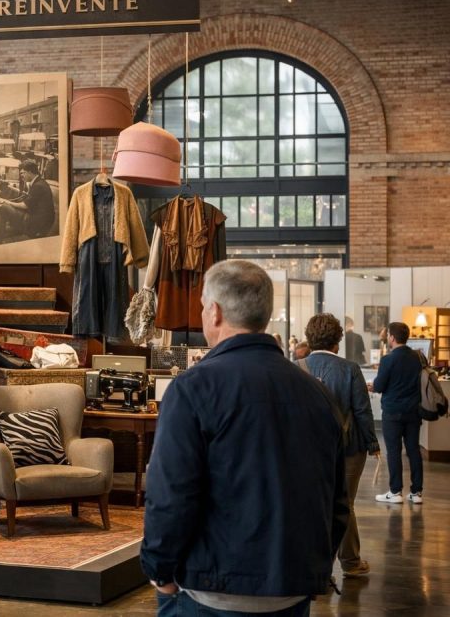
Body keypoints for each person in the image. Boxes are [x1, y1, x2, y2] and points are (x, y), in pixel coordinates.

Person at [142, 260, 348, 617]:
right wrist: (311, 570)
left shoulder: (192, 389)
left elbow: (170, 495)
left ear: (215, 311)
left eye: (203, 306)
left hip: (210, 592)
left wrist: (159, 572)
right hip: (291, 589)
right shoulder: (318, 394)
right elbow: (336, 500)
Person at [301, 313, 380, 578]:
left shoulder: (296, 367)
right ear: (337, 341)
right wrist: (372, 444)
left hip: (308, 449)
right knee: (345, 504)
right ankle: (350, 562)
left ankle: (317, 567)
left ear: (309, 339)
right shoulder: (350, 369)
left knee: (314, 505)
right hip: (348, 448)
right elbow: (362, 411)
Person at [372, 321, 424, 504]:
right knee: (413, 450)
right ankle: (416, 493)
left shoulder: (388, 360)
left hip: (392, 412)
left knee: (394, 451)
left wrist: (372, 386)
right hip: (413, 411)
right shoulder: (418, 357)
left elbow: (379, 386)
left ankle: (395, 492)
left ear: (392, 338)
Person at [1, 159, 55, 238]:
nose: (22, 176)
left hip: (37, 222)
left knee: (4, 206)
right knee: (14, 206)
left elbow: (25, 205)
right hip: (43, 220)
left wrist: (8, 203)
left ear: (30, 172)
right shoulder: (40, 182)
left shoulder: (38, 186)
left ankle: (0, 235)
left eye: (23, 173)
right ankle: (15, 230)